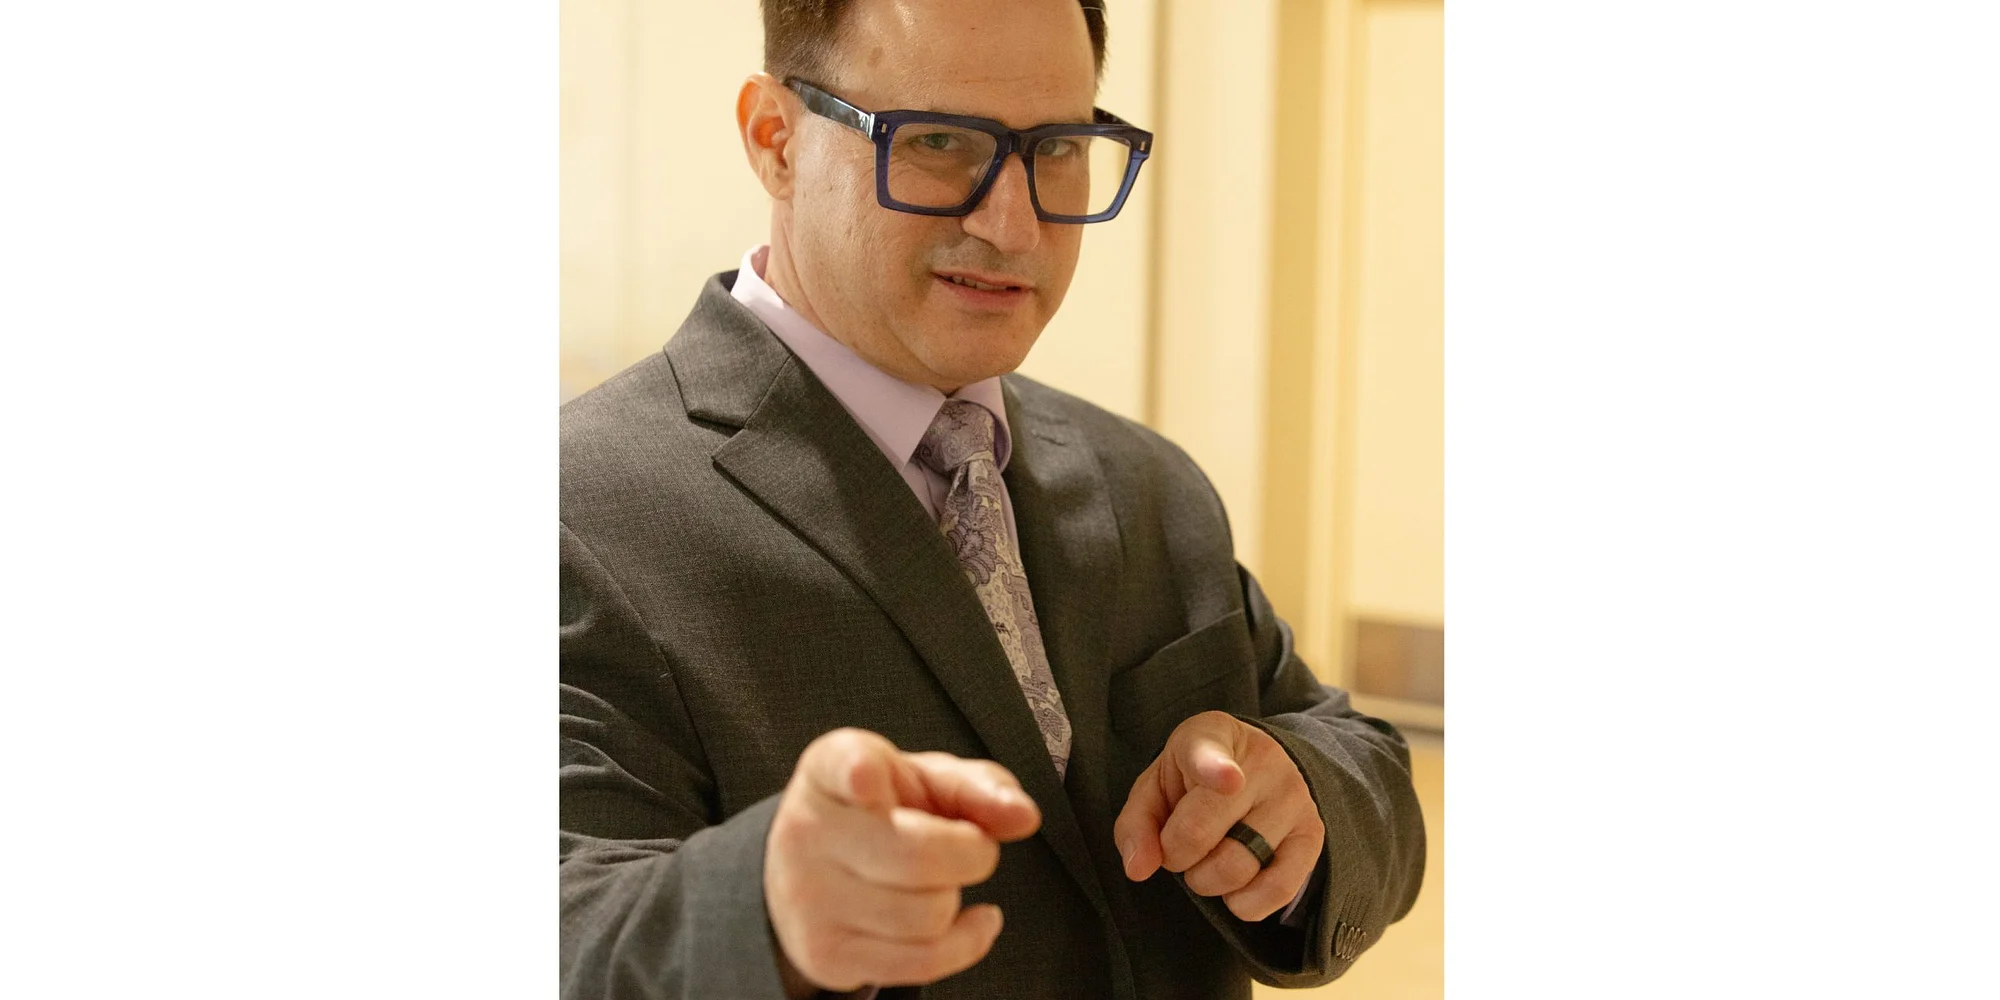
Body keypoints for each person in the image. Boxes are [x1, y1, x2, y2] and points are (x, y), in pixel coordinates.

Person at [559, 1, 1426, 996]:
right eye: (936, 141)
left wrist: (1300, 794)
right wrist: (759, 914)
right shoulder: (577, 512)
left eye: (1056, 148)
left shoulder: (1149, 485)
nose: (1012, 225)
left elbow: (1354, 756)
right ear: (776, 140)